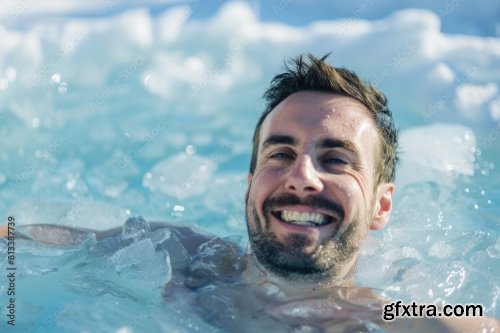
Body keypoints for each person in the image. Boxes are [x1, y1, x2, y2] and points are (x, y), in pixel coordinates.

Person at [1, 54, 498, 332]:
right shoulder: (180, 257)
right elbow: (35, 239)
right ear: (248, 186)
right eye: (279, 154)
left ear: (380, 206)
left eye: (337, 159)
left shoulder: (386, 314)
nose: (301, 176)